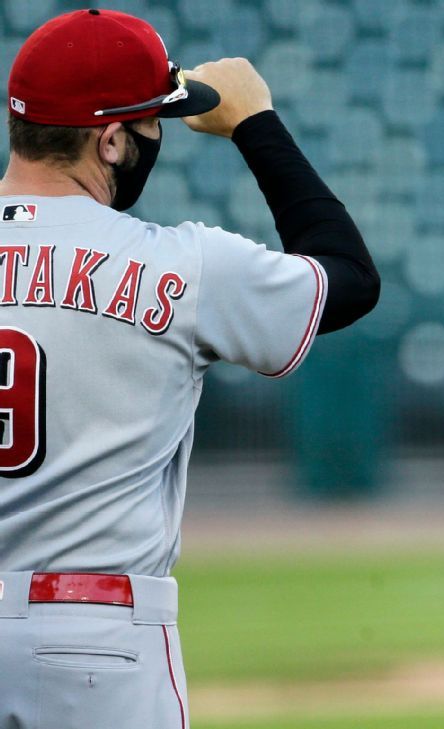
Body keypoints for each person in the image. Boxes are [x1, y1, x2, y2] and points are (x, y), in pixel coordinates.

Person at [0, 9, 378, 727]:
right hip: (96, 643)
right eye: (150, 124)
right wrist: (255, 124)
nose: (155, 138)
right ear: (109, 141)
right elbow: (350, 276)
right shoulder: (180, 263)